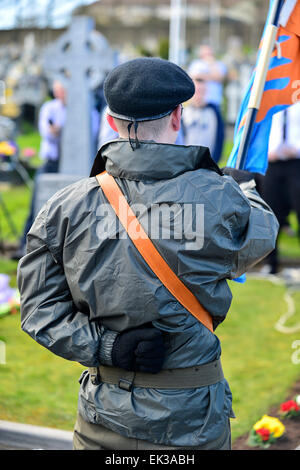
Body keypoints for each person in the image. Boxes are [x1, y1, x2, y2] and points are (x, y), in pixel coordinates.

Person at [18, 57, 278, 451]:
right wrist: (246, 191)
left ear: (111, 122)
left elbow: (38, 309)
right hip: (192, 421)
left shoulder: (64, 207)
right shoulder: (221, 197)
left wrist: (107, 347)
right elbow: (261, 236)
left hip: (102, 418)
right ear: (177, 116)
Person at [12, 80, 100, 260]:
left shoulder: (87, 108)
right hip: (52, 162)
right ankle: (25, 245)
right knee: (37, 204)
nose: (61, 95)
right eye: (58, 91)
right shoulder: (50, 108)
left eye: (64, 91)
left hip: (78, 164)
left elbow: (92, 132)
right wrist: (56, 132)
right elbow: (46, 131)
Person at [261, 101, 300, 274]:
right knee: (270, 215)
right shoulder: (271, 101)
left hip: (296, 163)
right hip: (272, 164)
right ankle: (272, 264)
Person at [182, 63, 224, 163]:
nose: (199, 86)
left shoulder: (214, 112)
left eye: (202, 81)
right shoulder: (182, 111)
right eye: (196, 80)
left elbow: (219, 141)